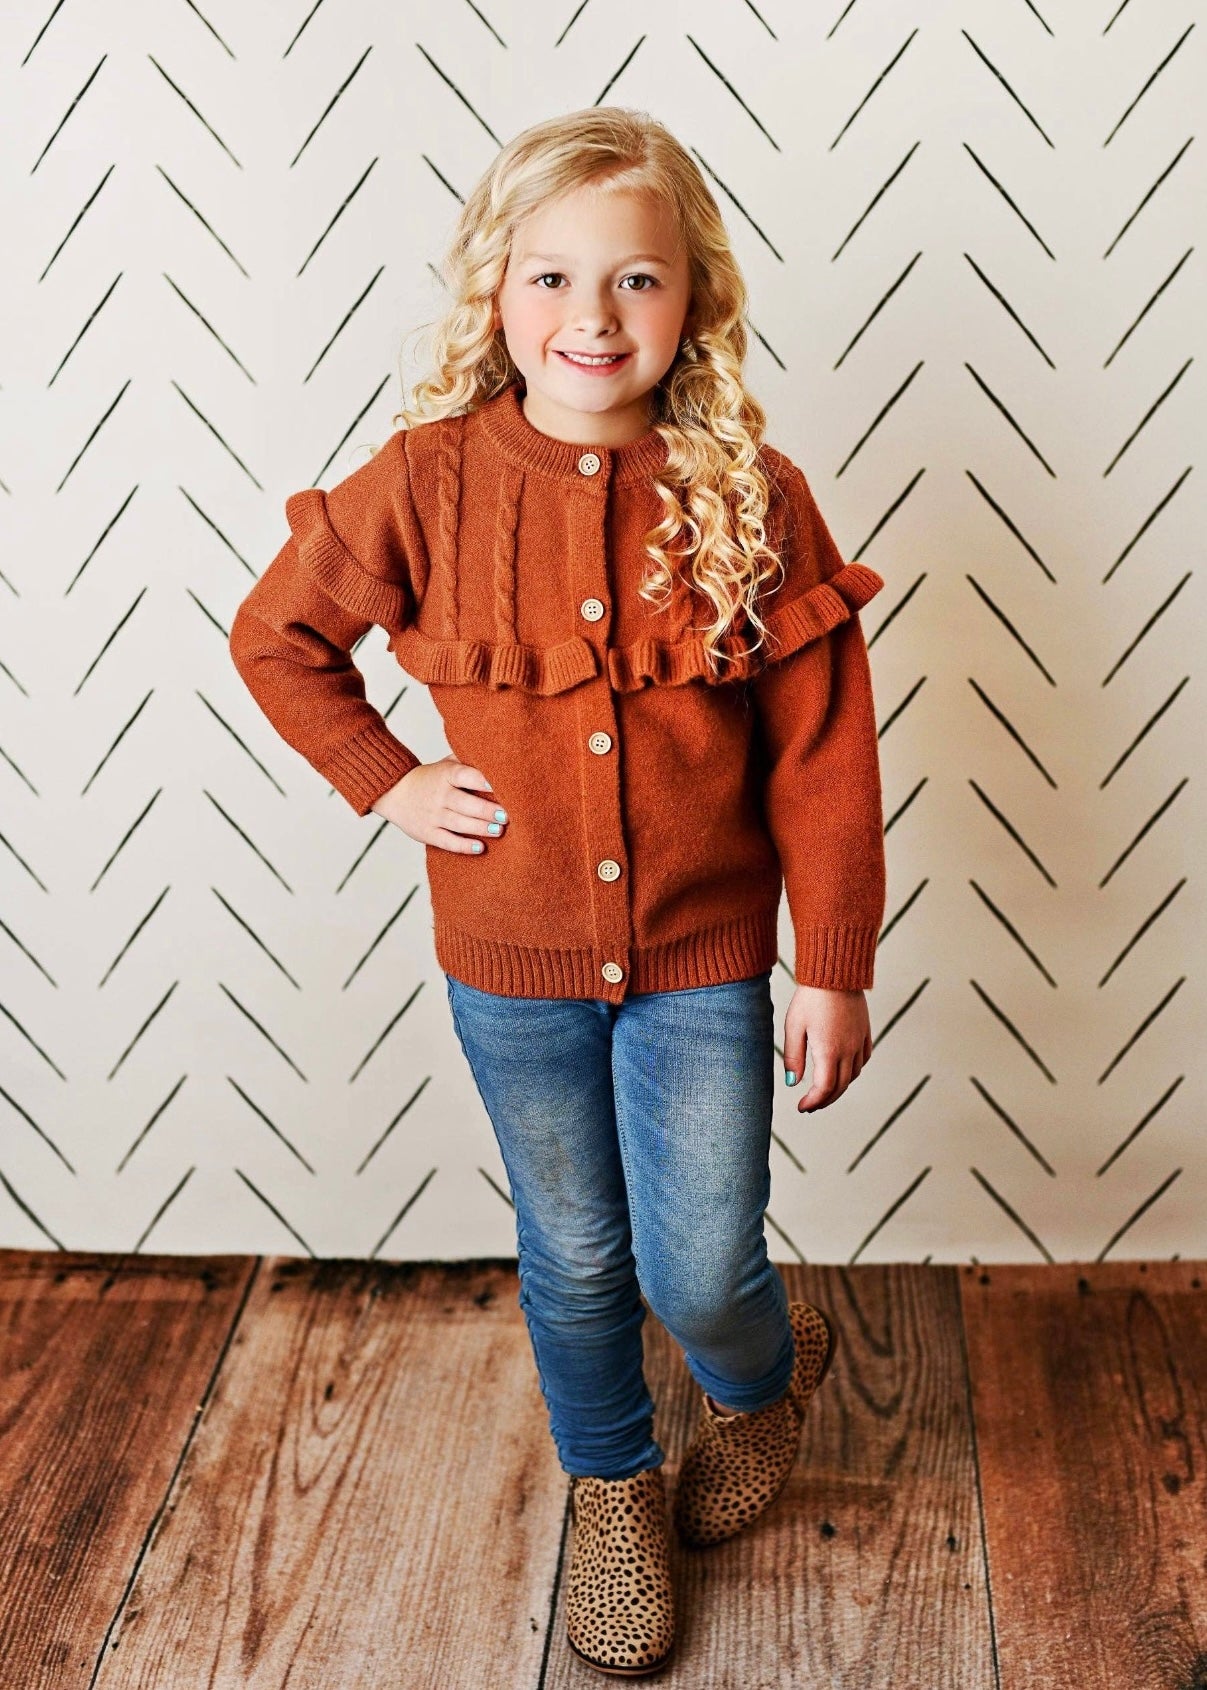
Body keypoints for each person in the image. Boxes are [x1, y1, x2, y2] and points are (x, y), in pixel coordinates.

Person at [228, 106, 886, 1679]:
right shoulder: (427, 482)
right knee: (577, 1249)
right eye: (552, 277)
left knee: (701, 1264)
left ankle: (757, 1387)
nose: (593, 316)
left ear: (693, 295)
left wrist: (831, 960)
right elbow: (278, 638)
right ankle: (612, 1484)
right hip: (507, 959)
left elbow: (821, 750)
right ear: (496, 287)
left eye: (636, 278)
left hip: (702, 961)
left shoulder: (754, 493)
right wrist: (389, 777)